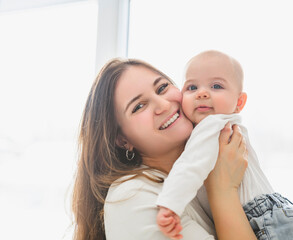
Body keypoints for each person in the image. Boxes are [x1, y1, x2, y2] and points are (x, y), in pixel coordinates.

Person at [71, 58, 257, 240]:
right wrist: (223, 191)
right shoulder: (131, 197)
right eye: (139, 107)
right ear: (122, 140)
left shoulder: (208, 165)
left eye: (162, 88)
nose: (164, 105)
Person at [156, 50, 293, 239]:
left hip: (259, 220)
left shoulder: (211, 126)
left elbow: (189, 167)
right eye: (192, 87)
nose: (202, 93)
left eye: (216, 86)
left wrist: (170, 204)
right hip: (277, 214)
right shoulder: (229, 125)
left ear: (239, 102)